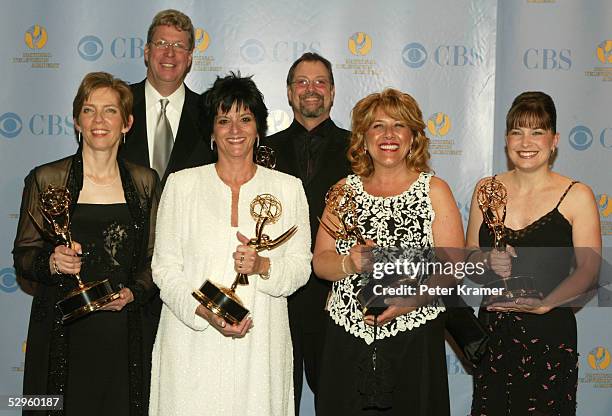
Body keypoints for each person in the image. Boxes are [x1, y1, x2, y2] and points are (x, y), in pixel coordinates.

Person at [149, 73, 311, 416]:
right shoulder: (181, 186)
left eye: (245, 119)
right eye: (223, 120)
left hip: (261, 343)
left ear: (258, 128)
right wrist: (206, 313)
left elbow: (300, 268)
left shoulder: (288, 189)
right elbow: (164, 269)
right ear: (211, 130)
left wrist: (262, 266)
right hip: (190, 342)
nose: (235, 129)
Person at [13, 71, 161, 416]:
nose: (99, 120)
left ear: (127, 123)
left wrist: (134, 292)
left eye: (110, 111)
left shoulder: (145, 182)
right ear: (77, 120)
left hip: (124, 334)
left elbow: (157, 257)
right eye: (89, 109)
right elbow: (23, 255)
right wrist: (52, 262)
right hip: (60, 333)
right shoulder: (45, 178)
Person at [312, 88, 464, 415]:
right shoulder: (342, 191)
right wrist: (349, 263)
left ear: (413, 137)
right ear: (363, 138)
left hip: (414, 336)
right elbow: (320, 263)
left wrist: (405, 303)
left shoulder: (434, 191)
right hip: (348, 336)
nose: (389, 135)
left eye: (399, 125)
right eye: (377, 126)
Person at [466, 92, 601, 415]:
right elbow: (468, 253)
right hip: (494, 336)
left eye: (537, 132)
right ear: (506, 139)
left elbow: (589, 269)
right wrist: (484, 260)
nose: (526, 142)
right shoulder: (486, 190)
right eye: (517, 131)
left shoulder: (576, 195)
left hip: (550, 337)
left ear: (554, 140)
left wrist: (546, 303)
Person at [262, 52, 351, 412]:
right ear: (288, 92)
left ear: (332, 92)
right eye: (302, 82)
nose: (310, 89)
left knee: (339, 400)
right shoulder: (262, 150)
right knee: (277, 400)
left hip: (337, 295)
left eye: (319, 82)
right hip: (277, 295)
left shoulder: (360, 149)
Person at [121, 9, 213, 187]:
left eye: (179, 46)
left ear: (189, 58)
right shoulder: (118, 105)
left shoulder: (209, 113)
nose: (169, 53)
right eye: (161, 43)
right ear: (147, 51)